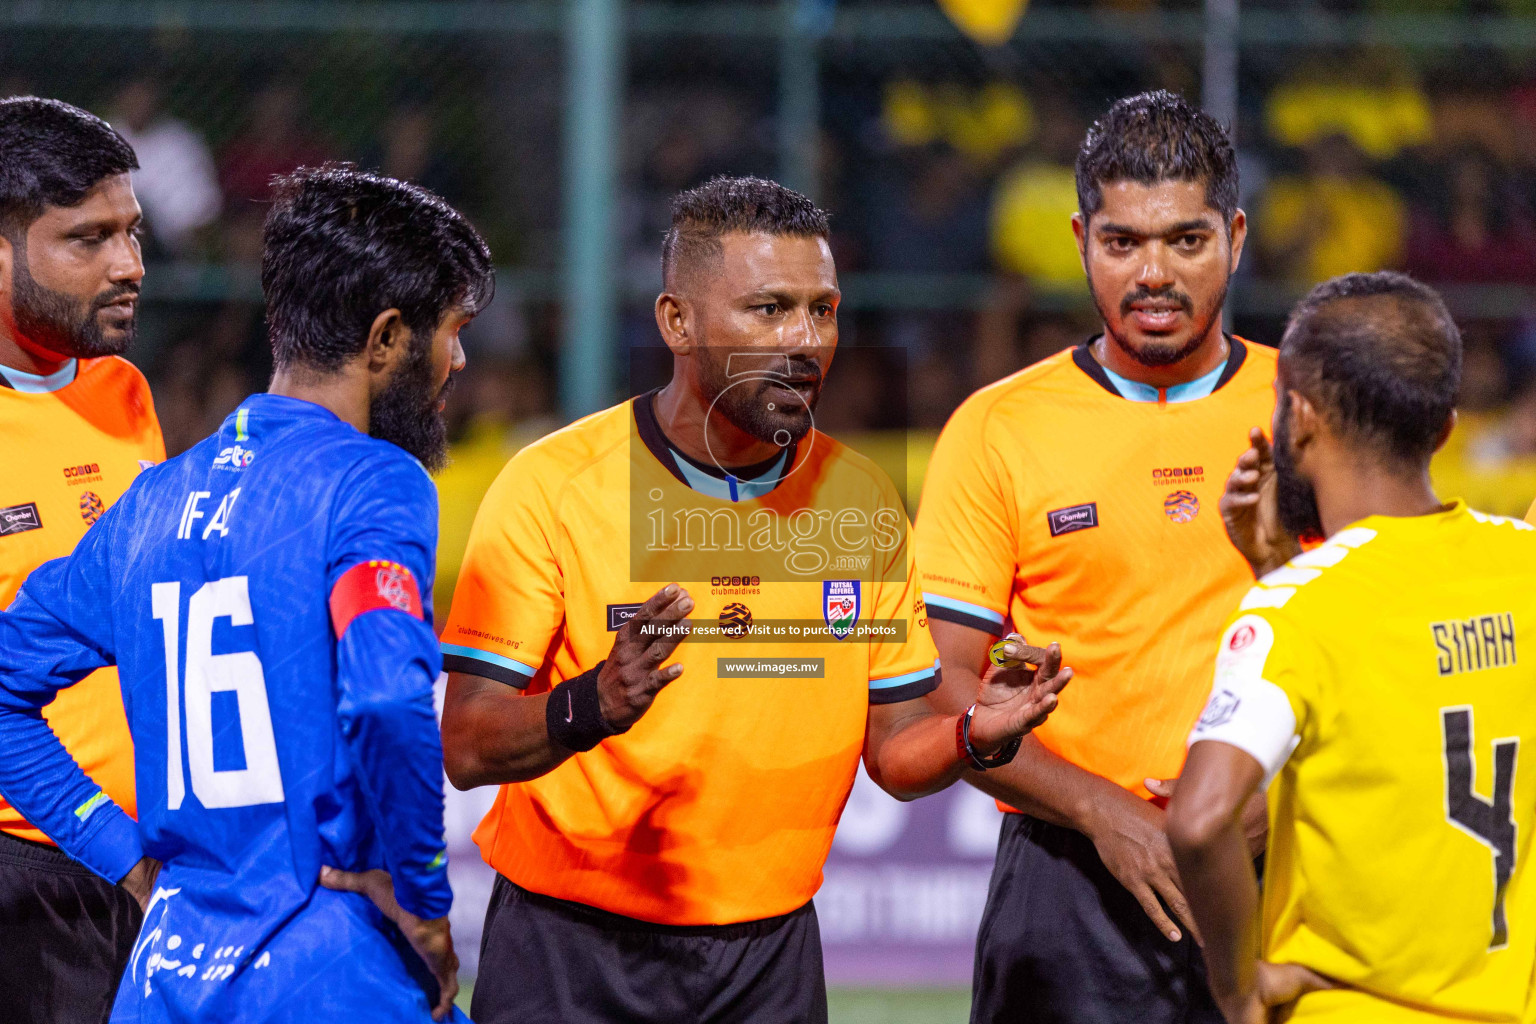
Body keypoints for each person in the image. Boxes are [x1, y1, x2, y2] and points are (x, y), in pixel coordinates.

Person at [438, 175, 1071, 1024]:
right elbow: (470, 744)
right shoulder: (553, 486)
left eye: (823, 310)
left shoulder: (861, 499)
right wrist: (593, 701)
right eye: (769, 310)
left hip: (770, 961)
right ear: (678, 322)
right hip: (570, 953)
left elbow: (893, 752)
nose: (805, 341)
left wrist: (971, 735)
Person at [0, 163, 494, 1023]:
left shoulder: (149, 501)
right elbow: (384, 696)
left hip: (165, 973)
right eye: (453, 330)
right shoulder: (373, 481)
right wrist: (419, 896)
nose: (459, 360)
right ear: (384, 340)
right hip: (324, 964)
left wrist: (123, 855)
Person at [915, 90, 1275, 1024]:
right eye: (1123, 243)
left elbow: (1384, 645)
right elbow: (938, 691)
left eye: (1185, 241)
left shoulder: (1307, 408)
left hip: (1285, 863)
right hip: (1066, 883)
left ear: (1235, 236)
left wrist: (1292, 788)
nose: (1153, 272)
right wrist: (1104, 814)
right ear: (1081, 241)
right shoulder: (996, 429)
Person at [1168, 270, 1536, 1023]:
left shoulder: (1296, 609)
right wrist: (1279, 565)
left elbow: (1201, 820)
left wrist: (1239, 991)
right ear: (1443, 429)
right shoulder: (1522, 564)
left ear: (1296, 416)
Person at [0, 96, 164, 1024]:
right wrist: (119, 850)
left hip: (141, 873)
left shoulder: (124, 391)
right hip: (26, 879)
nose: (129, 266)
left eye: (131, 233)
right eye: (87, 239)